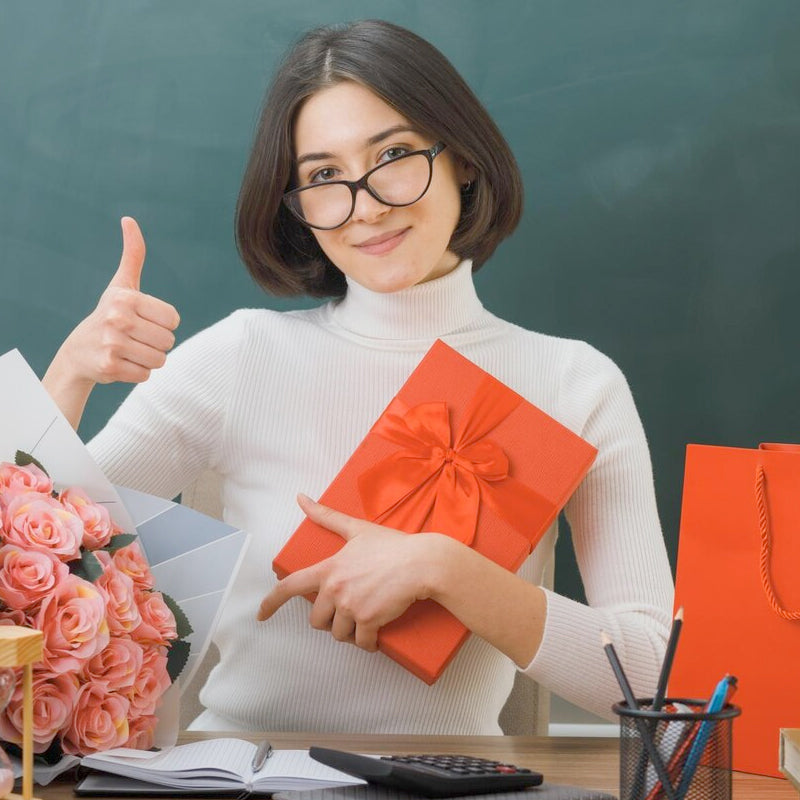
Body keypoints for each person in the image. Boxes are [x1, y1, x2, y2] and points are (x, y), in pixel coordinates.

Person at [43, 19, 674, 733]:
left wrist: (449, 570)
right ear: (297, 206)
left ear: (463, 158)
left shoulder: (575, 384)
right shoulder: (241, 356)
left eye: (395, 154)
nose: (365, 205)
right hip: (240, 777)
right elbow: (36, 565)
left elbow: (655, 678)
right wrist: (71, 374)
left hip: (451, 783)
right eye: (322, 177)